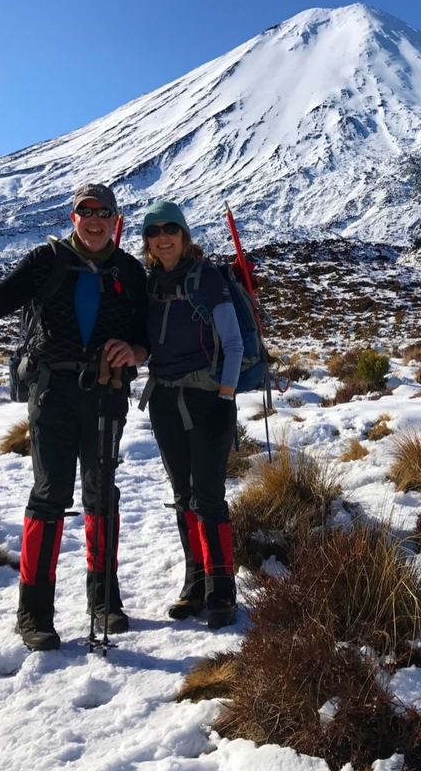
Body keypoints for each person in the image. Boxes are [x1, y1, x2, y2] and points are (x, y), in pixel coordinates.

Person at [0, 183, 150, 651]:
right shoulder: (47, 260)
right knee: (49, 494)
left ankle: (105, 600)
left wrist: (133, 350)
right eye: (86, 212)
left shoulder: (129, 271)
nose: (95, 220)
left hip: (106, 392)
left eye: (104, 212)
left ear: (115, 219)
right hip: (53, 393)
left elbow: (147, 339)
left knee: (102, 493)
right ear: (72, 217)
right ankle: (34, 612)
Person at [139, 201, 243, 629]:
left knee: (209, 496)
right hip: (164, 400)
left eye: (171, 229)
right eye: (154, 231)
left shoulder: (208, 278)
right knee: (183, 494)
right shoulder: (149, 284)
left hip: (207, 398)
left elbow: (234, 344)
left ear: (185, 235)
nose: (163, 237)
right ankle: (194, 583)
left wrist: (224, 400)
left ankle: (222, 589)